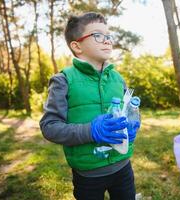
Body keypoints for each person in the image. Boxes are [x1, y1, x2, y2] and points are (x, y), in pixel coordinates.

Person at [39, 12, 140, 200]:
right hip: (88, 175)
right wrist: (91, 131)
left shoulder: (118, 78)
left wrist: (133, 122)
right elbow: (49, 127)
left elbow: (129, 110)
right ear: (77, 46)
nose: (107, 41)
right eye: (98, 35)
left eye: (109, 36)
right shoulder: (63, 80)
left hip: (123, 165)